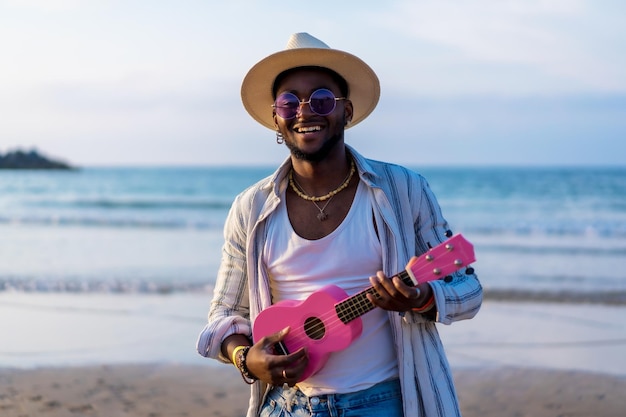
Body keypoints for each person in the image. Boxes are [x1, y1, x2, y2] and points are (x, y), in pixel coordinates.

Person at [197, 32, 483, 417]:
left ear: (346, 112)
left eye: (321, 99)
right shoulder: (251, 208)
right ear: (275, 118)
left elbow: (467, 287)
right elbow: (222, 315)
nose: (305, 111)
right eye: (288, 102)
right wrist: (247, 359)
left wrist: (421, 299)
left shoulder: (403, 190)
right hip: (287, 406)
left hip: (386, 402)